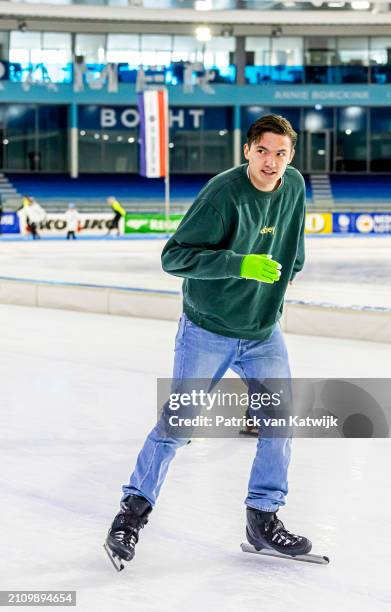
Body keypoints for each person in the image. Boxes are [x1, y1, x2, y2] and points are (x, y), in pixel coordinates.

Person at [105, 114, 309, 568]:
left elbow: (294, 243)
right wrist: (239, 264)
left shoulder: (293, 186)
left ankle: (263, 518)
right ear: (247, 151)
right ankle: (131, 516)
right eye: (263, 151)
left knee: (280, 423)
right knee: (177, 427)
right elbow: (173, 256)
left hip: (261, 332)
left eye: (281, 153)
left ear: (291, 155)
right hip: (207, 330)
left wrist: (286, 275)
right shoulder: (223, 193)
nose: (271, 162)